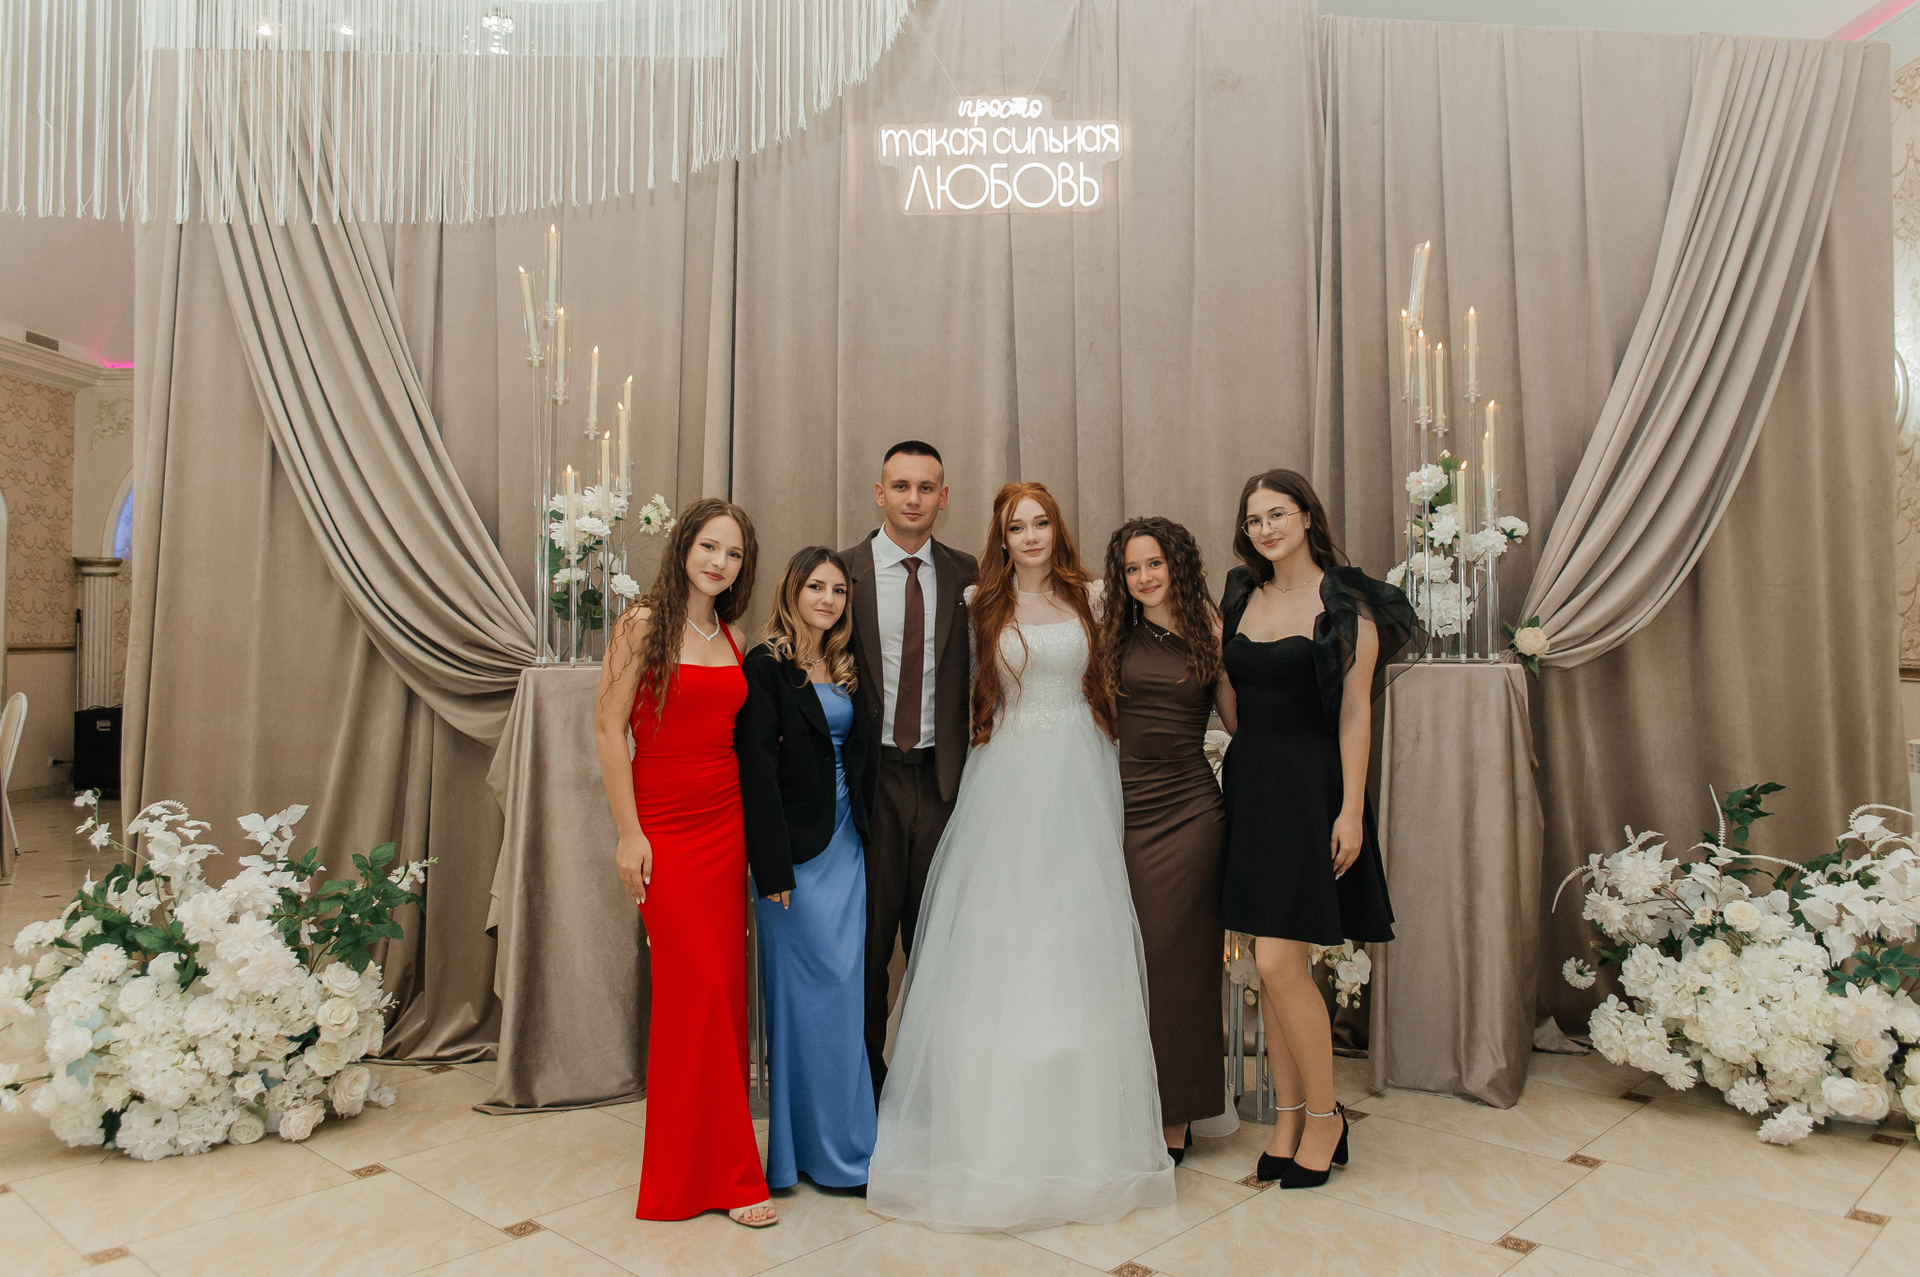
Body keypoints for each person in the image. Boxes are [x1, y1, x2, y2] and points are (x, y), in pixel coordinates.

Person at [867, 482, 1175, 1232]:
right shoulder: (979, 603)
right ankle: (988, 1126)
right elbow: (951, 689)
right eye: (1016, 526)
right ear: (1001, 538)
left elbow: (1142, 659)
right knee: (1002, 935)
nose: (1031, 536)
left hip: (1082, 769)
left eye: (1041, 523)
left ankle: (1083, 1129)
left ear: (1056, 529)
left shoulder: (1095, 597)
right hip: (1004, 772)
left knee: (1078, 933)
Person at [1219, 469, 1417, 1189]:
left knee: (1279, 962)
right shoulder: (1240, 595)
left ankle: (1328, 1117)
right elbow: (1232, 701)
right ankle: (1289, 1116)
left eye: (1277, 513)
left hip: (1312, 789)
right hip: (1252, 786)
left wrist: (1351, 811)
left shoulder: (1348, 603)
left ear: (1306, 516)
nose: (1265, 529)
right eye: (1254, 519)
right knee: (1270, 969)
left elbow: (1356, 713)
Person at [593, 497, 776, 1227]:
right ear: (683, 548)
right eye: (709, 546)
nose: (719, 562)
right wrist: (628, 833)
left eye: (733, 553)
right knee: (692, 990)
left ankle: (716, 1166)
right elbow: (609, 730)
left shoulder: (732, 636)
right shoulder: (642, 624)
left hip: (725, 827)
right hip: (664, 828)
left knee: (722, 993)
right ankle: (715, 1175)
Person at [839, 442, 978, 1103]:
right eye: (901, 485)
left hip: (946, 784)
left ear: (943, 497)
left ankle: (931, 1093)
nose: (913, 498)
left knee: (939, 946)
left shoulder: (970, 574)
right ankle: (865, 1089)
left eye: (926, 487)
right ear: (880, 492)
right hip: (868, 785)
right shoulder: (841, 573)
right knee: (867, 948)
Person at [736, 547, 877, 1192]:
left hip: (848, 844)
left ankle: (847, 1146)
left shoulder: (845, 663)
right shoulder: (766, 664)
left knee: (844, 998)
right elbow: (756, 772)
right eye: (816, 587)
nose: (828, 599)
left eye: (838, 590)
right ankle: (802, 1156)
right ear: (792, 591)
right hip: (794, 858)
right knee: (800, 1004)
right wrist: (772, 871)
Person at [1095, 515, 1232, 1167]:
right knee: (1128, 961)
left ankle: (1176, 1113)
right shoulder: (1111, 633)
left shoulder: (1212, 630)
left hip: (1191, 813)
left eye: (1155, 563)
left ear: (1178, 564)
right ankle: (1125, 1102)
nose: (1144, 576)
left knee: (1181, 963)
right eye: (1132, 567)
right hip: (1121, 808)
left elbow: (1239, 720)